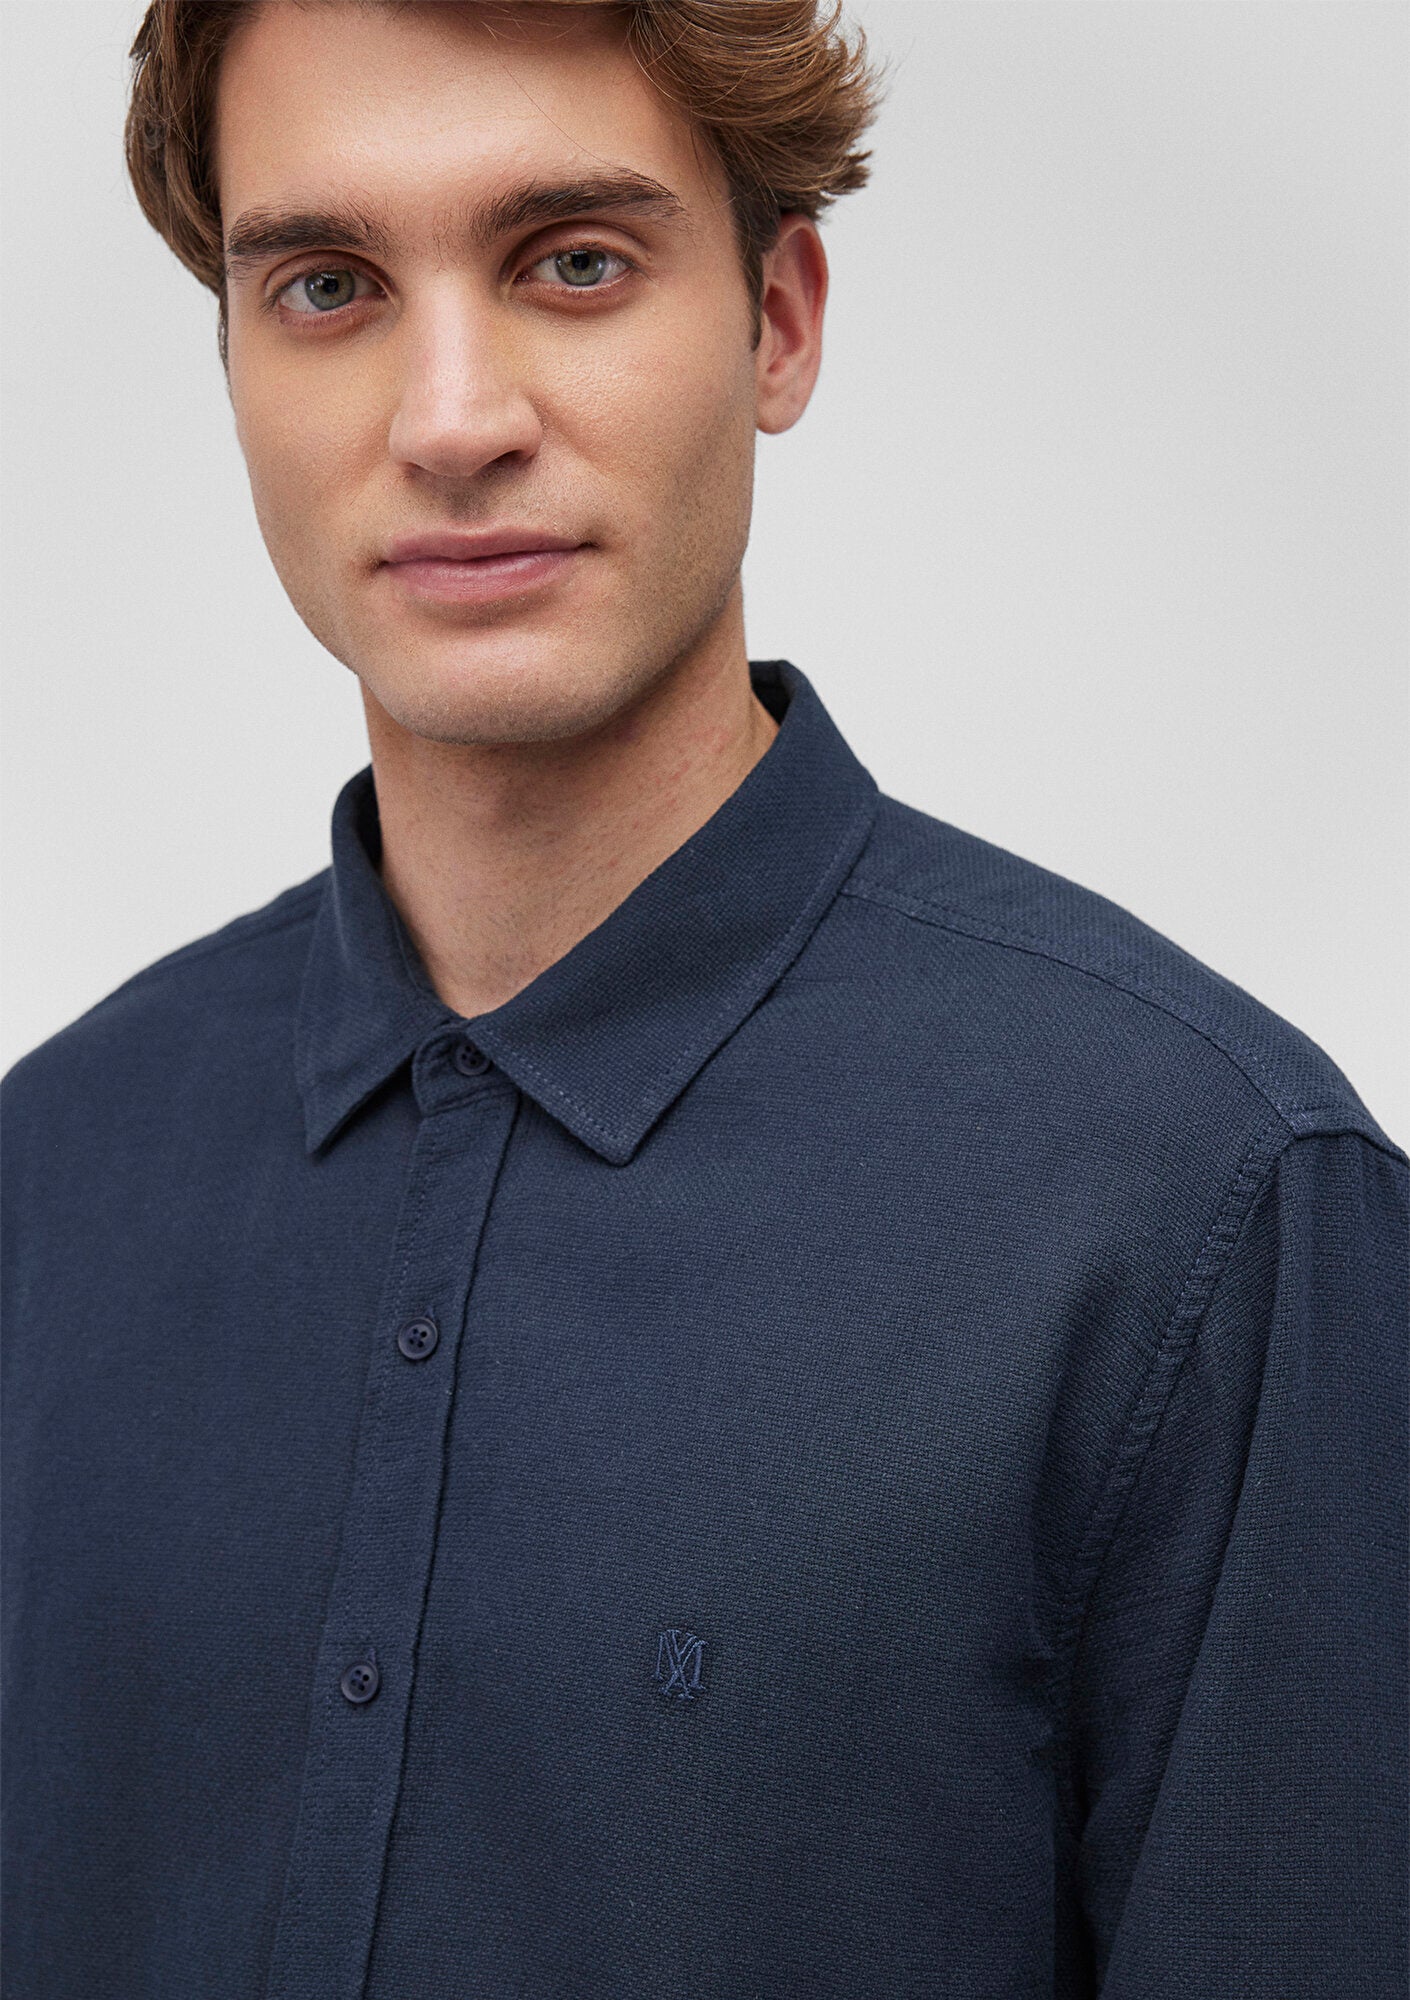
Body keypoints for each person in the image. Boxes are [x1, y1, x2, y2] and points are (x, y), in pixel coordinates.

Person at [2, 2, 1404, 1994]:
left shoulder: (1214, 1205)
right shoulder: (46, 1175)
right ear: (231, 363)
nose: (452, 419)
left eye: (572, 261)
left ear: (778, 324)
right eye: (325, 286)